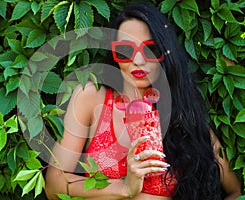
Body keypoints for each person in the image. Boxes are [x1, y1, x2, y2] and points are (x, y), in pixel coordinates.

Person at [45, 2, 241, 200]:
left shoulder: (183, 116)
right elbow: (54, 184)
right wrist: (124, 188)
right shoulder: (92, 97)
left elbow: (235, 191)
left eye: (151, 50)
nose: (138, 61)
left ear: (165, 53)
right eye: (125, 50)